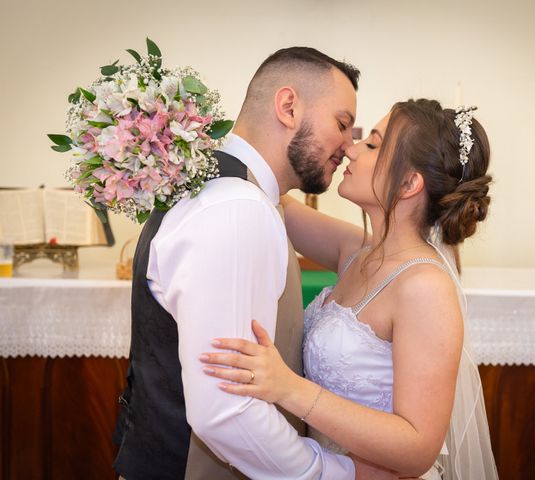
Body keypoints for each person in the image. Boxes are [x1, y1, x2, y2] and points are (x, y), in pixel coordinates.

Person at [198, 99, 499, 479]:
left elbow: (417, 446)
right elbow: (272, 191)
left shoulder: (425, 287)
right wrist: (186, 137)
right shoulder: (357, 252)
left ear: (409, 183)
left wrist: (289, 389)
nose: (351, 149)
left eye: (372, 144)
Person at [112, 47, 365, 479]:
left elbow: (355, 247)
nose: (349, 146)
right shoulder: (235, 207)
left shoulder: (232, 187)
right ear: (288, 107)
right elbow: (228, 410)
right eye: (342, 125)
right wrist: (334, 473)